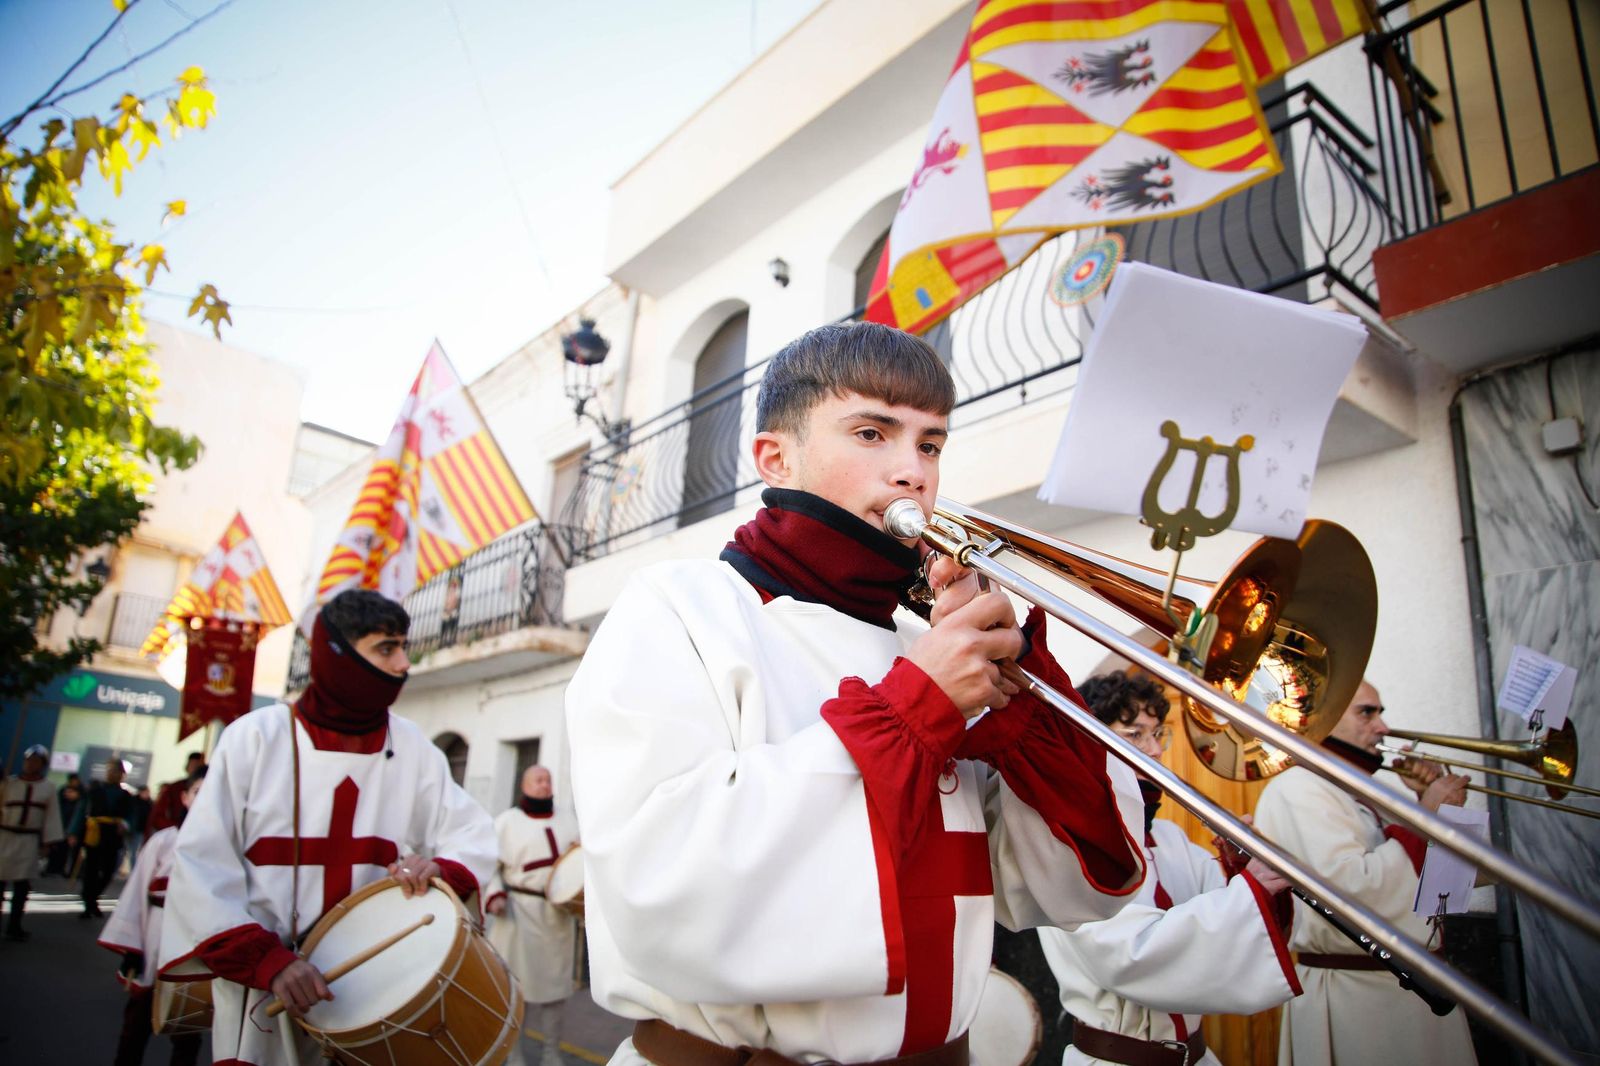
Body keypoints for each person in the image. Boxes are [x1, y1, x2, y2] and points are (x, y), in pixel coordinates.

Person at [566, 321, 1147, 1065]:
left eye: (930, 444)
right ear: (776, 456)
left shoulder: (920, 644)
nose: (913, 471)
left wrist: (1026, 711)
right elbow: (661, 886)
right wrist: (916, 710)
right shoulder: (680, 605)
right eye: (872, 433)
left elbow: (1071, 890)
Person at [158, 588, 498, 1065]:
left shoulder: (413, 747)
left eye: (403, 646)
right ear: (337, 655)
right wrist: (267, 961)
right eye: (386, 647)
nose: (404, 663)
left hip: (373, 990)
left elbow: (470, 833)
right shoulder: (256, 739)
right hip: (266, 989)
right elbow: (201, 865)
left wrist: (438, 868)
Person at [1037, 672, 1303, 1066]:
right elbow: (1133, 956)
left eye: (1158, 733)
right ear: (1091, 743)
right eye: (1134, 735)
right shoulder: (1068, 844)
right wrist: (1252, 889)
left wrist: (1239, 867)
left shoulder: (1168, 836)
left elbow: (1234, 920)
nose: (1156, 751)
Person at [1254, 679, 1476, 1066]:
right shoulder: (1297, 788)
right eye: (1366, 712)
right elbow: (1350, 894)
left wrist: (1431, 807)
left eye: (1380, 713)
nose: (1383, 728)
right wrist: (1427, 817)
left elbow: (1448, 891)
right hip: (1356, 999)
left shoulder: (1360, 789)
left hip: (1416, 990)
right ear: (1327, 718)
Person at [99, 769, 208, 1066]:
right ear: (185, 798)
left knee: (189, 1027)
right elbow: (136, 893)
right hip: (156, 937)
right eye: (199, 792)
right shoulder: (163, 841)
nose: (206, 798)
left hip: (197, 946)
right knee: (137, 1021)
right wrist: (132, 947)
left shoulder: (228, 845)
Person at [487, 765, 580, 1066]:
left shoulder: (568, 820)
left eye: (548, 780)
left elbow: (579, 861)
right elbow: (490, 865)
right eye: (538, 780)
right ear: (525, 786)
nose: (544, 785)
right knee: (517, 991)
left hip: (557, 918)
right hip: (519, 915)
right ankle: (514, 1053)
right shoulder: (506, 823)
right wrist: (495, 894)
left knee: (555, 991)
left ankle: (551, 1052)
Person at [1, 744, 64, 940]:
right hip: (4, 838)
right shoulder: (8, 784)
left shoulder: (49, 788)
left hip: (28, 841)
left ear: (43, 765)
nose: (31, 764)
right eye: (29, 760)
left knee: (21, 888)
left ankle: (14, 925)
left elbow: (51, 816)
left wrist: (47, 842)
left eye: (36, 761)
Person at [69, 755, 137, 918]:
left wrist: (126, 825)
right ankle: (89, 904)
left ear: (123, 775)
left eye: (117, 771)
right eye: (111, 770)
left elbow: (132, 816)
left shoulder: (127, 795)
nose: (113, 774)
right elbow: (81, 811)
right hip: (94, 833)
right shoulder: (94, 791)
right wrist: (73, 832)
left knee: (108, 871)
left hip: (113, 835)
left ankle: (92, 897)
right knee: (91, 869)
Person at [146, 752, 205, 837]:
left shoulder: (210, 790)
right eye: (193, 765)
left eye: (198, 766)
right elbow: (158, 817)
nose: (195, 769)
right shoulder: (174, 788)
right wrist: (177, 828)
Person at [45, 772, 83, 877]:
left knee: (68, 850)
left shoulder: (81, 792)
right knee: (57, 847)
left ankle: (65, 870)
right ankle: (52, 868)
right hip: (61, 822)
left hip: (71, 823)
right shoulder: (62, 790)